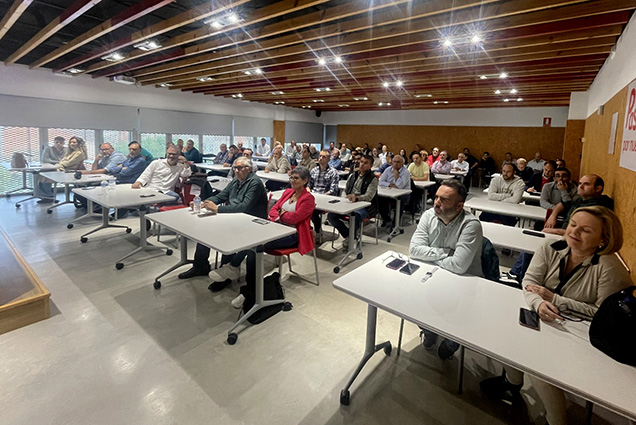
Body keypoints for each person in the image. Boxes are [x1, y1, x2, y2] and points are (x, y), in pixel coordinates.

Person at [481, 207, 632, 425]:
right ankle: (512, 381)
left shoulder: (609, 267)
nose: (574, 232)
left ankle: (556, 420)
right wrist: (539, 302)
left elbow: (604, 315)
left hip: (589, 335)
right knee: (512, 333)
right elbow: (529, 282)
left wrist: (554, 299)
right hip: (551, 319)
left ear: (603, 239)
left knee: (537, 362)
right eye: (572, 225)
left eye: (585, 230)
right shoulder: (551, 246)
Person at [409, 179, 483, 360]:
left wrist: (430, 256)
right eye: (436, 197)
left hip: (464, 283)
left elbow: (459, 266)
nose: (436, 203)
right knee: (411, 302)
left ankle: (452, 339)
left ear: (459, 206)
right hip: (431, 276)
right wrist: (446, 253)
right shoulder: (428, 215)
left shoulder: (470, 225)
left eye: (444, 200)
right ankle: (429, 330)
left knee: (455, 318)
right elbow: (414, 250)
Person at [230, 167, 316, 309]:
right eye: (291, 177)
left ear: (305, 180)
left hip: (293, 234)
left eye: (296, 178)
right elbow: (273, 208)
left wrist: (281, 215)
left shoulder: (308, 199)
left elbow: (295, 219)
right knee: (251, 242)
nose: (292, 181)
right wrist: (281, 215)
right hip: (276, 227)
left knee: (256, 247)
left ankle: (246, 289)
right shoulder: (288, 192)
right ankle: (244, 280)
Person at [177, 156, 268, 284]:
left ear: (249, 169)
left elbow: (244, 206)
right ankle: (200, 266)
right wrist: (203, 203)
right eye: (235, 168)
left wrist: (217, 209)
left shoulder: (255, 182)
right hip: (235, 216)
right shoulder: (236, 181)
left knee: (226, 236)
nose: (236, 171)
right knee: (205, 231)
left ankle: (226, 273)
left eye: (240, 168)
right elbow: (221, 196)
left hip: (251, 221)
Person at [328, 154, 378, 249]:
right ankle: (349, 236)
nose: (362, 164)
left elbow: (369, 196)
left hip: (364, 206)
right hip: (349, 203)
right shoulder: (352, 175)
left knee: (355, 217)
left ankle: (352, 238)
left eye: (365, 163)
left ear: (371, 166)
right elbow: (346, 190)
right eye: (361, 162)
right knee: (331, 216)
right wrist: (344, 199)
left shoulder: (373, 179)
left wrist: (357, 198)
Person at [544, 174, 614, 236]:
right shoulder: (581, 200)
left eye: (586, 184)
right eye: (580, 183)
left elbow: (580, 234)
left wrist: (553, 231)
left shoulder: (596, 207)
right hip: (565, 235)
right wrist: (552, 216)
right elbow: (563, 204)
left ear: (598, 189)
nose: (581, 186)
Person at [309, 150, 340, 241]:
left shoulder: (333, 172)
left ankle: (318, 231)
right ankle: (305, 231)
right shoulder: (314, 170)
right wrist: (308, 190)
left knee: (312, 211)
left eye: (324, 157)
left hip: (325, 199)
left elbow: (333, 190)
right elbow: (308, 185)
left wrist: (322, 196)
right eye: (320, 156)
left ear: (329, 159)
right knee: (301, 208)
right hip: (312, 197)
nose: (321, 158)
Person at [378, 154, 410, 227]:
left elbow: (399, 185)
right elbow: (380, 181)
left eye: (398, 162)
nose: (396, 163)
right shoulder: (388, 169)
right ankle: (386, 219)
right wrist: (390, 184)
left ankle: (395, 224)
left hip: (404, 194)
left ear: (402, 163)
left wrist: (396, 174)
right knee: (379, 199)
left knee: (400, 202)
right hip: (390, 193)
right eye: (394, 161)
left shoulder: (406, 172)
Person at [36, 136, 66, 201]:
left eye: (61, 142)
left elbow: (67, 161)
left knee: (46, 176)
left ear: (63, 143)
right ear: (54, 142)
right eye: (57, 142)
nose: (58, 144)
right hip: (50, 168)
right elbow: (45, 160)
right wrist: (58, 162)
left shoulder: (66, 150)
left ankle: (47, 196)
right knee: (43, 175)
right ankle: (46, 196)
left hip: (63, 168)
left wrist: (58, 163)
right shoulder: (48, 149)